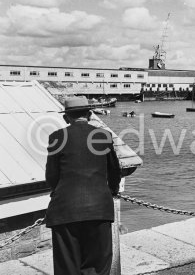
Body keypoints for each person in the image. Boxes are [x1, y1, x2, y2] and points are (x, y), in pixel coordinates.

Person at [45, 96, 121, 275]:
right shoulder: (104, 136)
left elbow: (51, 176)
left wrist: (57, 192)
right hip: (99, 210)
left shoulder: (56, 137)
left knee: (67, 268)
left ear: (66, 118)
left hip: (64, 210)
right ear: (89, 114)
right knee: (97, 267)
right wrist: (113, 190)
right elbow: (114, 171)